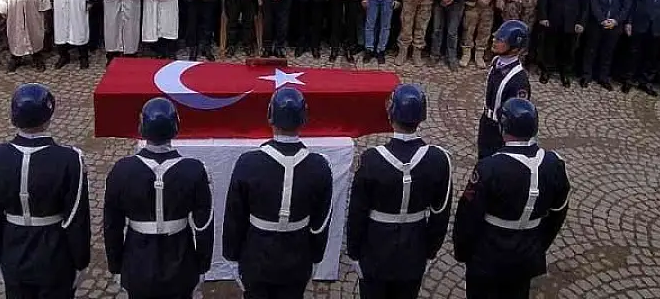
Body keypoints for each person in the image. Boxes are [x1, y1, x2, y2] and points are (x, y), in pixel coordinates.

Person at [0, 84, 91, 298]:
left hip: (13, 248)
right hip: (54, 252)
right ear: (48, 117)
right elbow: (76, 219)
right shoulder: (69, 160)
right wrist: (81, 261)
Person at [453, 99, 570, 299]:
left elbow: (468, 216)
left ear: (503, 127)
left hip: (489, 255)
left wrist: (462, 251)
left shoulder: (490, 168)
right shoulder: (554, 164)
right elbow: (558, 213)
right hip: (527, 255)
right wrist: (539, 244)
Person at [223, 87, 334, 299]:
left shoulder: (248, 163)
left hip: (256, 258)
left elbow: (234, 218)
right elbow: (320, 224)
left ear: (270, 116)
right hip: (297, 258)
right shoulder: (319, 166)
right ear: (304, 119)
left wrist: (232, 256)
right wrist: (315, 258)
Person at [346, 84, 453, 299]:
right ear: (421, 117)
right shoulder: (439, 160)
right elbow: (440, 214)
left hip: (375, 249)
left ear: (391, 115)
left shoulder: (371, 160)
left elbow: (357, 213)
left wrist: (354, 252)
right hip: (414, 249)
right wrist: (430, 252)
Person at [103, 97, 214, 299]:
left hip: (137, 260)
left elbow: (112, 226)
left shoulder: (122, 170)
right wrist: (202, 266)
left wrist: (116, 266)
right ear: (176, 127)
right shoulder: (194, 170)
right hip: (181, 260)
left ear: (142, 127)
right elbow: (204, 227)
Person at [476, 20, 532, 160]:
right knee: (482, 157)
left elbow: (516, 114)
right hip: (487, 123)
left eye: (501, 40)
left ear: (514, 48)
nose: (494, 41)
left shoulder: (519, 81)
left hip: (500, 131)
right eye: (496, 38)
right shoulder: (496, 61)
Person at [536, 0, 588, 86]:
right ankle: (546, 70)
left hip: (572, 22)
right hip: (553, 19)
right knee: (549, 46)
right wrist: (543, 16)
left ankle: (565, 73)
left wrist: (581, 22)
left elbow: (585, 5)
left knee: (568, 49)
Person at [582, 0, 630, 89]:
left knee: (608, 52)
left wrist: (616, 21)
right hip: (596, 23)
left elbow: (626, 6)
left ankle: (603, 77)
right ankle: (586, 75)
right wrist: (601, 19)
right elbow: (593, 2)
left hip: (615, 25)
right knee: (591, 50)